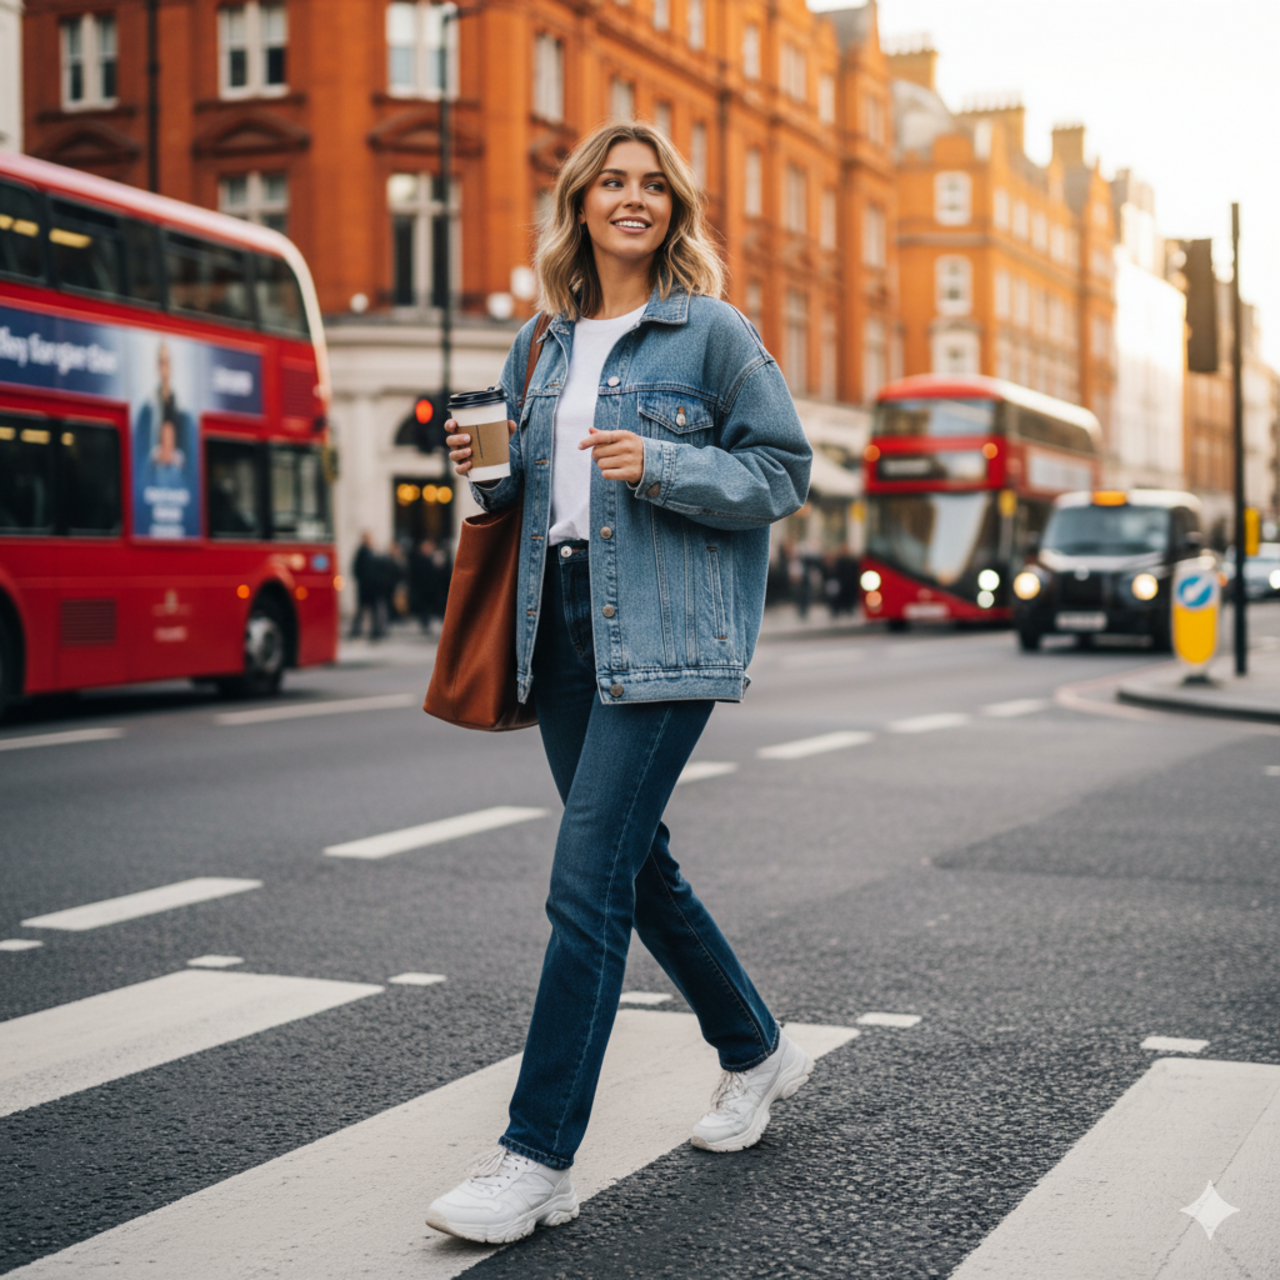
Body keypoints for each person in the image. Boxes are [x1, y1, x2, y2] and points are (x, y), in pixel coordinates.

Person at [426, 121, 813, 1245]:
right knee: (638, 874)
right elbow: (515, 502)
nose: (632, 198)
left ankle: (534, 1156)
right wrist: (482, 477)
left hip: (661, 628)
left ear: (671, 209)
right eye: (613, 182)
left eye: (653, 185)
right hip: (557, 627)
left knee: (584, 882)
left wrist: (668, 464)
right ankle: (754, 1046)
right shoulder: (541, 344)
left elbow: (781, 470)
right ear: (582, 203)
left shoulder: (710, 334)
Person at [348, 531, 384, 639]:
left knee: (371, 610)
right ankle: (360, 631)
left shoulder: (370, 552)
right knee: (364, 610)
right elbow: (356, 570)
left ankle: (374, 631)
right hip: (365, 587)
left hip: (370, 587)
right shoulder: (363, 552)